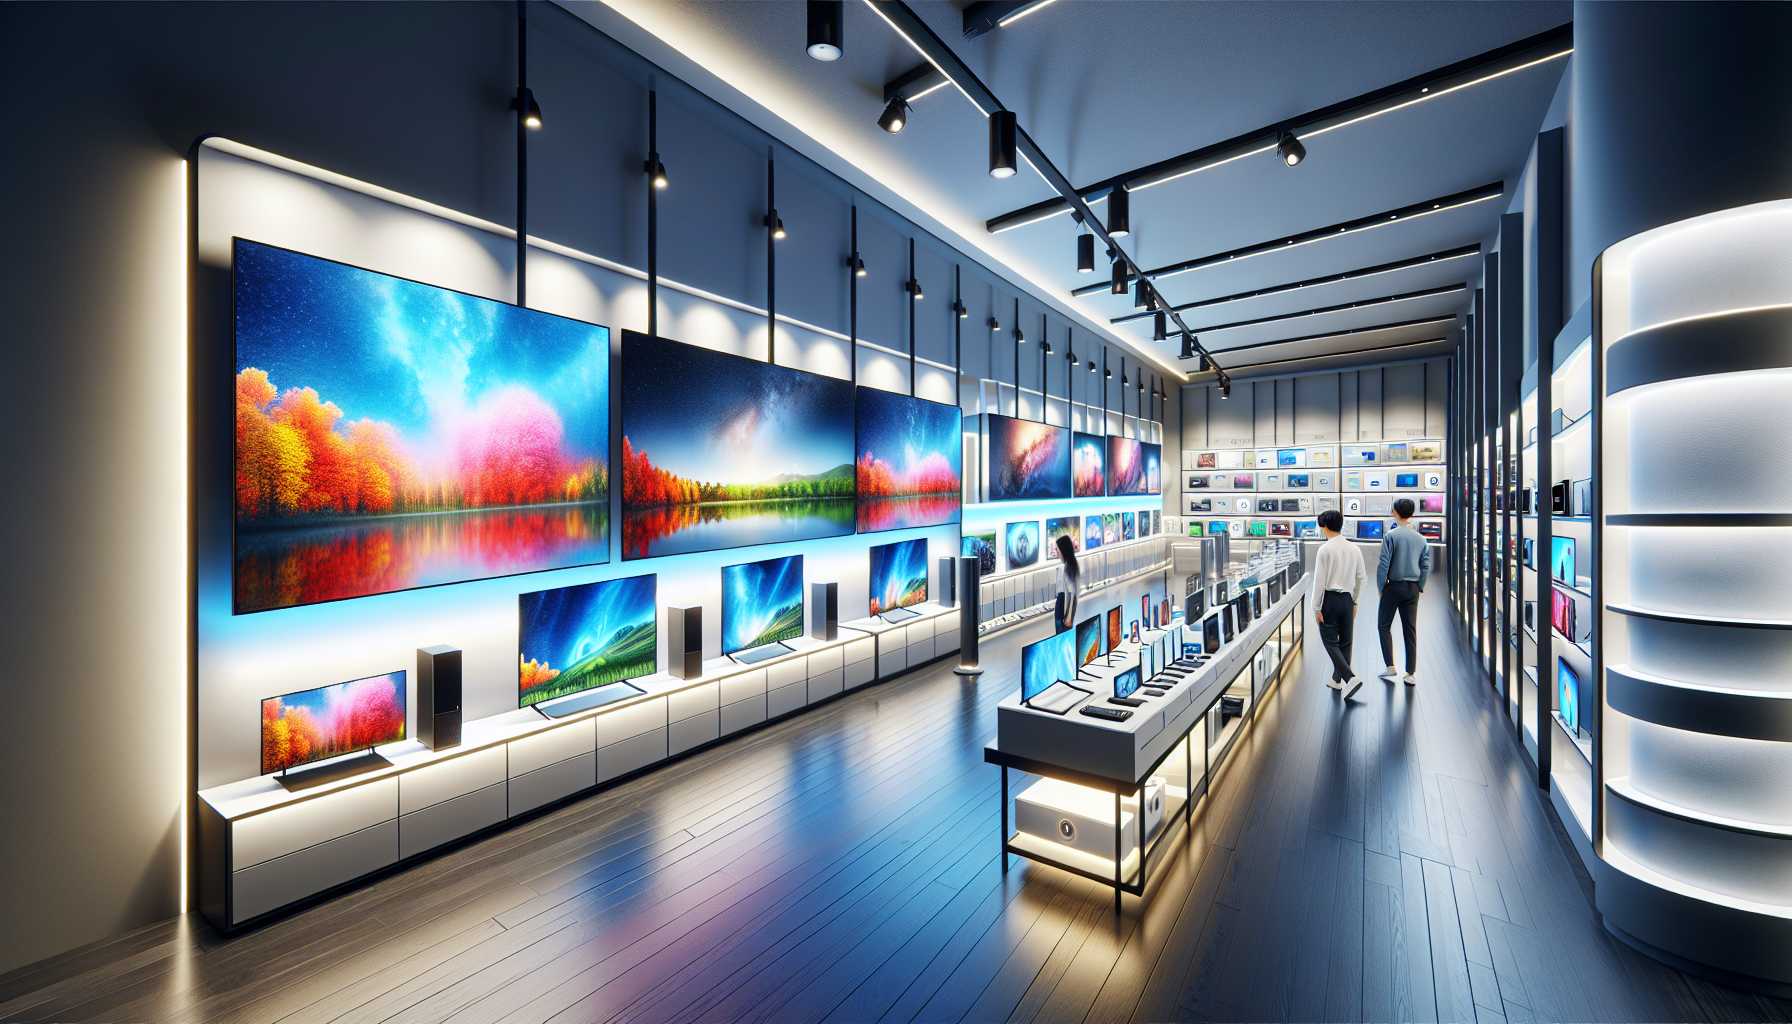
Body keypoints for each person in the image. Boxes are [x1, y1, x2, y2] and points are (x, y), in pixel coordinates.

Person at [1311, 508, 1366, 701]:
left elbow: (1319, 582)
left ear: (1325, 527)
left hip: (1329, 600)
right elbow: (1361, 578)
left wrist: (1316, 608)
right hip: (1347, 600)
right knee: (1346, 641)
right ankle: (1337, 680)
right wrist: (1355, 601)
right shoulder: (1355, 548)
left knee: (1330, 642)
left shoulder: (1324, 550)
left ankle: (1349, 678)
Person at [1376, 498, 1431, 686]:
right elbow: (1426, 566)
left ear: (1395, 513)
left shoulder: (1391, 536)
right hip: (1413, 588)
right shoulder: (1421, 539)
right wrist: (1420, 585)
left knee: (1384, 626)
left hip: (1393, 587)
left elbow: (1384, 564)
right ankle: (1410, 673)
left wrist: (1381, 587)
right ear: (1412, 514)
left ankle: (1390, 666)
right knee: (1410, 630)